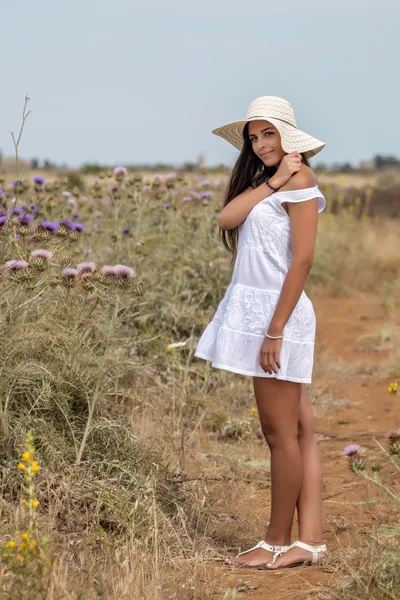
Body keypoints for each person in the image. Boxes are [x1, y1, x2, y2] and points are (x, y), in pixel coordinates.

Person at [193, 96, 328, 570]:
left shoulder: (304, 181)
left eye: (268, 133)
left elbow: (303, 260)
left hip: (279, 317)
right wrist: (272, 181)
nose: (260, 143)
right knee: (299, 428)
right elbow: (226, 219)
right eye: (254, 136)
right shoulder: (268, 183)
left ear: (288, 135)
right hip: (259, 314)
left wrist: (275, 330)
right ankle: (309, 542)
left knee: (278, 431)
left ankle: (274, 541)